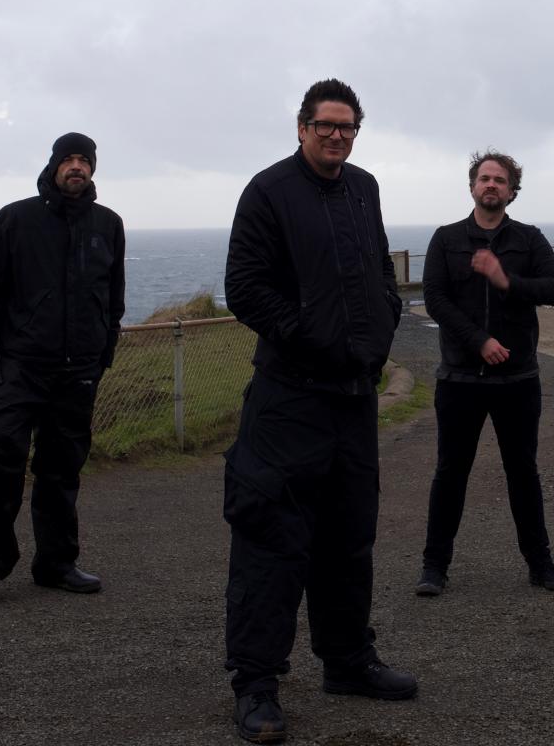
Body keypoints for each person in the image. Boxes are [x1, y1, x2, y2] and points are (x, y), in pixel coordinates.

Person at [222, 78, 416, 744]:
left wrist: (379, 333)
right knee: (271, 541)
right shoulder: (268, 192)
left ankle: (347, 661)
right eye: (326, 124)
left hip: (353, 402)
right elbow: (245, 289)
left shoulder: (364, 188)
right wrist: (318, 341)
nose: (338, 135)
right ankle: (255, 686)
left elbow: (379, 279)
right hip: (289, 401)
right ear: (302, 127)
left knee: (348, 538)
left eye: (349, 126)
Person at [0, 131, 124, 605]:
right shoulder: (15, 220)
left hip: (78, 372)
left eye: (84, 160)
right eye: (68, 159)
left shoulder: (107, 225)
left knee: (61, 467)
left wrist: (103, 351)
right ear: (53, 166)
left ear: (93, 169)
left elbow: (114, 299)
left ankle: (56, 563)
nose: (77, 167)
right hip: (20, 367)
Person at [415, 150, 554, 598]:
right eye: (484, 179)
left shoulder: (529, 239)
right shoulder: (447, 240)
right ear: (472, 187)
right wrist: (478, 340)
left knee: (523, 472)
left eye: (500, 180)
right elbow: (436, 300)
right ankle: (434, 567)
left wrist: (507, 281)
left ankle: (541, 566)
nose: (491, 186)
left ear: (511, 191)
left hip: (518, 380)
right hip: (460, 379)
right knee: (451, 472)